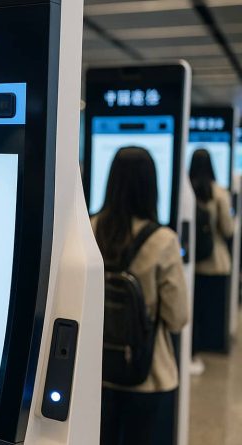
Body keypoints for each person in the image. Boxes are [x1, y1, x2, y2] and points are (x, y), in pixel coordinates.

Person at [92, 147, 189, 445]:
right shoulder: (163, 241)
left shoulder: (90, 228)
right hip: (146, 374)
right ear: (151, 186)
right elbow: (177, 318)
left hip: (96, 369)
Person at [190, 148, 234, 356]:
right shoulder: (219, 193)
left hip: (191, 263)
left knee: (194, 311)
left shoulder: (186, 191)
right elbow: (228, 228)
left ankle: (193, 348)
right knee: (211, 313)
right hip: (215, 263)